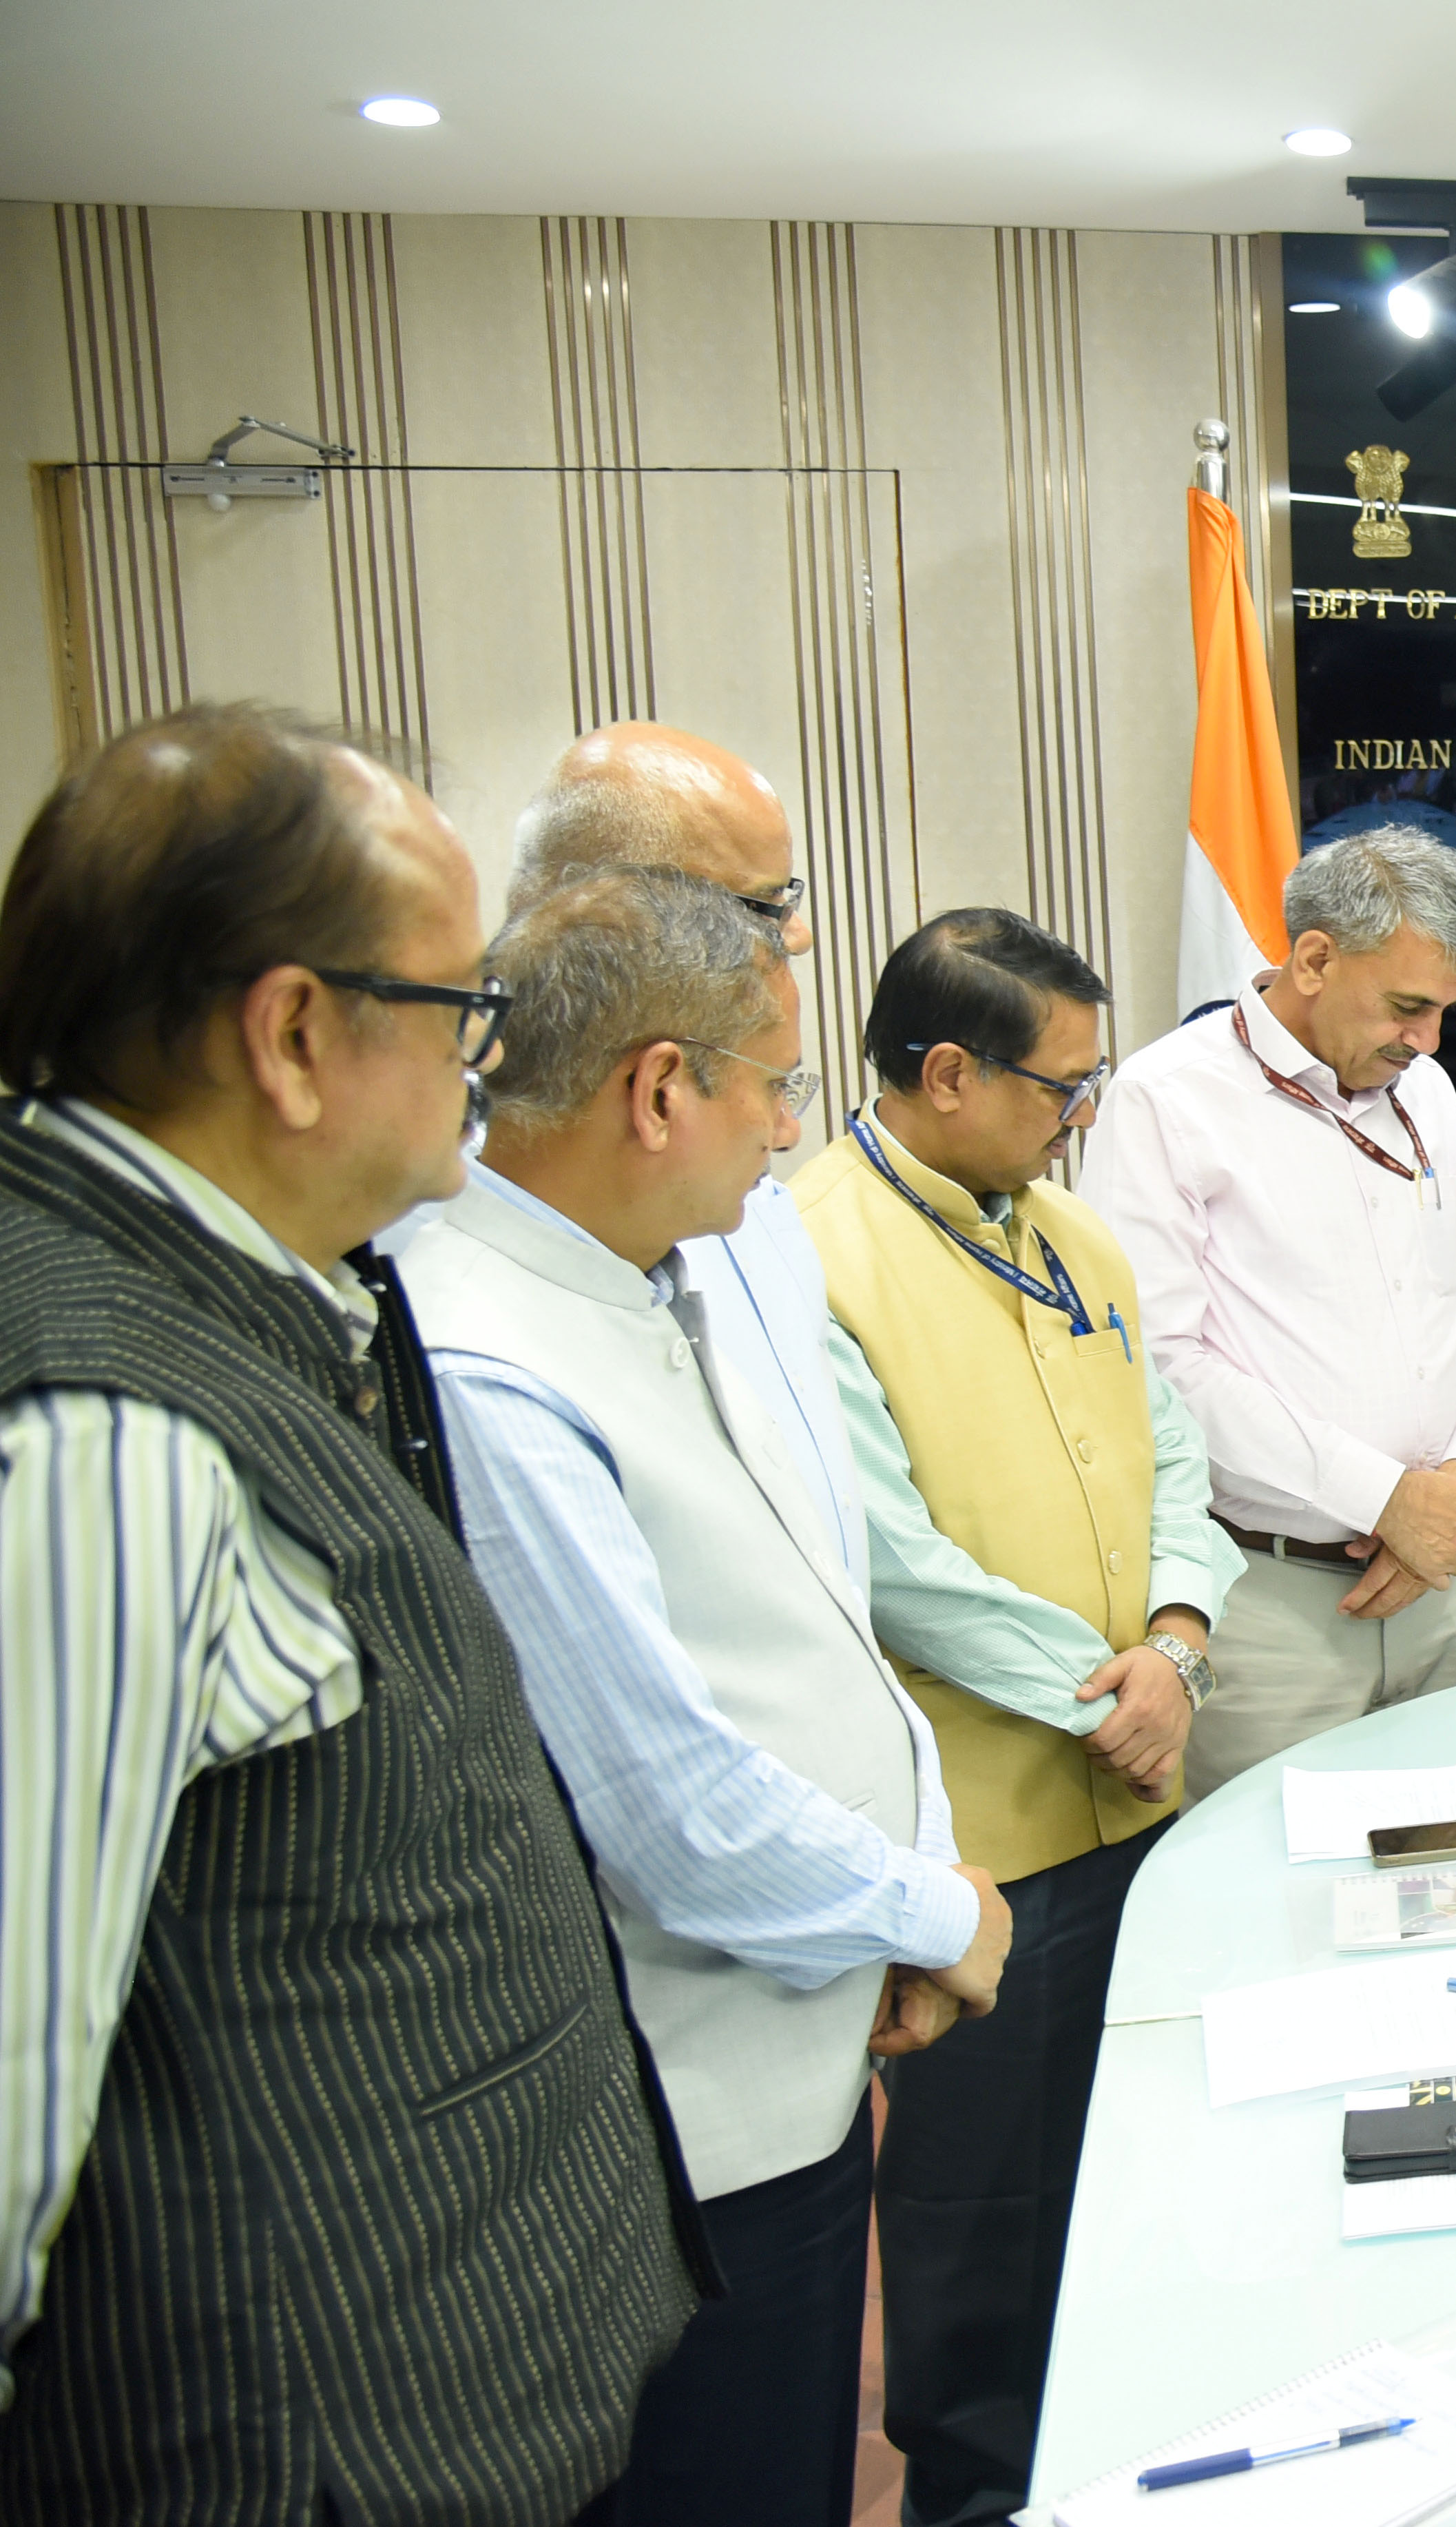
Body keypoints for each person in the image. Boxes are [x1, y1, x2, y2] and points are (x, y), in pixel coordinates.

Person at [0, 707, 697, 2517]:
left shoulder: (252, 1302)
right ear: (297, 1034)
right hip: (303, 2440)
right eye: (461, 1010)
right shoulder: (104, 1434)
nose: (489, 1066)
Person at [404, 867, 1013, 2524]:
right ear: (661, 1088)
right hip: (683, 2133)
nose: (786, 1132)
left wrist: (900, 1896)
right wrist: (928, 1911)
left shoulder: (651, 1275)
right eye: (777, 1087)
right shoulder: (487, 1355)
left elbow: (806, 1617)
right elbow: (665, 1803)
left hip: (798, 2029)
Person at [792, 910, 1244, 2527]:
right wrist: (1105, 1684)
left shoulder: (1070, 1232)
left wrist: (1178, 1639)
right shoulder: (810, 1247)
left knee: (1142, 2179)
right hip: (987, 1840)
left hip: (1144, 1797)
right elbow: (891, 1562)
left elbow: (1172, 1454)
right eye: (1068, 1083)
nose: (1088, 1114)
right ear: (945, 1072)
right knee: (982, 2220)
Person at [1078, 828, 1456, 1798]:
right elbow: (1161, 1369)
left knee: (1451, 1864)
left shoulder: (1429, 1090)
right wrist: (1387, 1500)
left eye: (1446, 1012)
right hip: (1272, 1607)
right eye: (1408, 1007)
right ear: (1316, 958)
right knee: (1272, 1902)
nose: (1428, 1041)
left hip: (1442, 1582)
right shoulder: (1167, 1099)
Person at [503, 721, 866, 1588]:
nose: (800, 934)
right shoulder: (472, 1214)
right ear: (602, 913)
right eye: (759, 906)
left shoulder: (752, 1179)